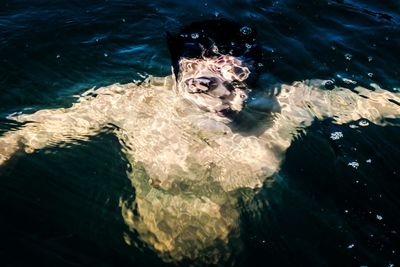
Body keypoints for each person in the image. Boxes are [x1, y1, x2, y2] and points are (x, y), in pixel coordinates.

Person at [0, 19, 399, 264]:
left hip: (241, 251)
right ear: (176, 75)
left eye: (238, 79)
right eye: (202, 82)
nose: (221, 98)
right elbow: (29, 135)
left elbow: (383, 104)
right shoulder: (130, 102)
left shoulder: (289, 103)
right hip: (138, 242)